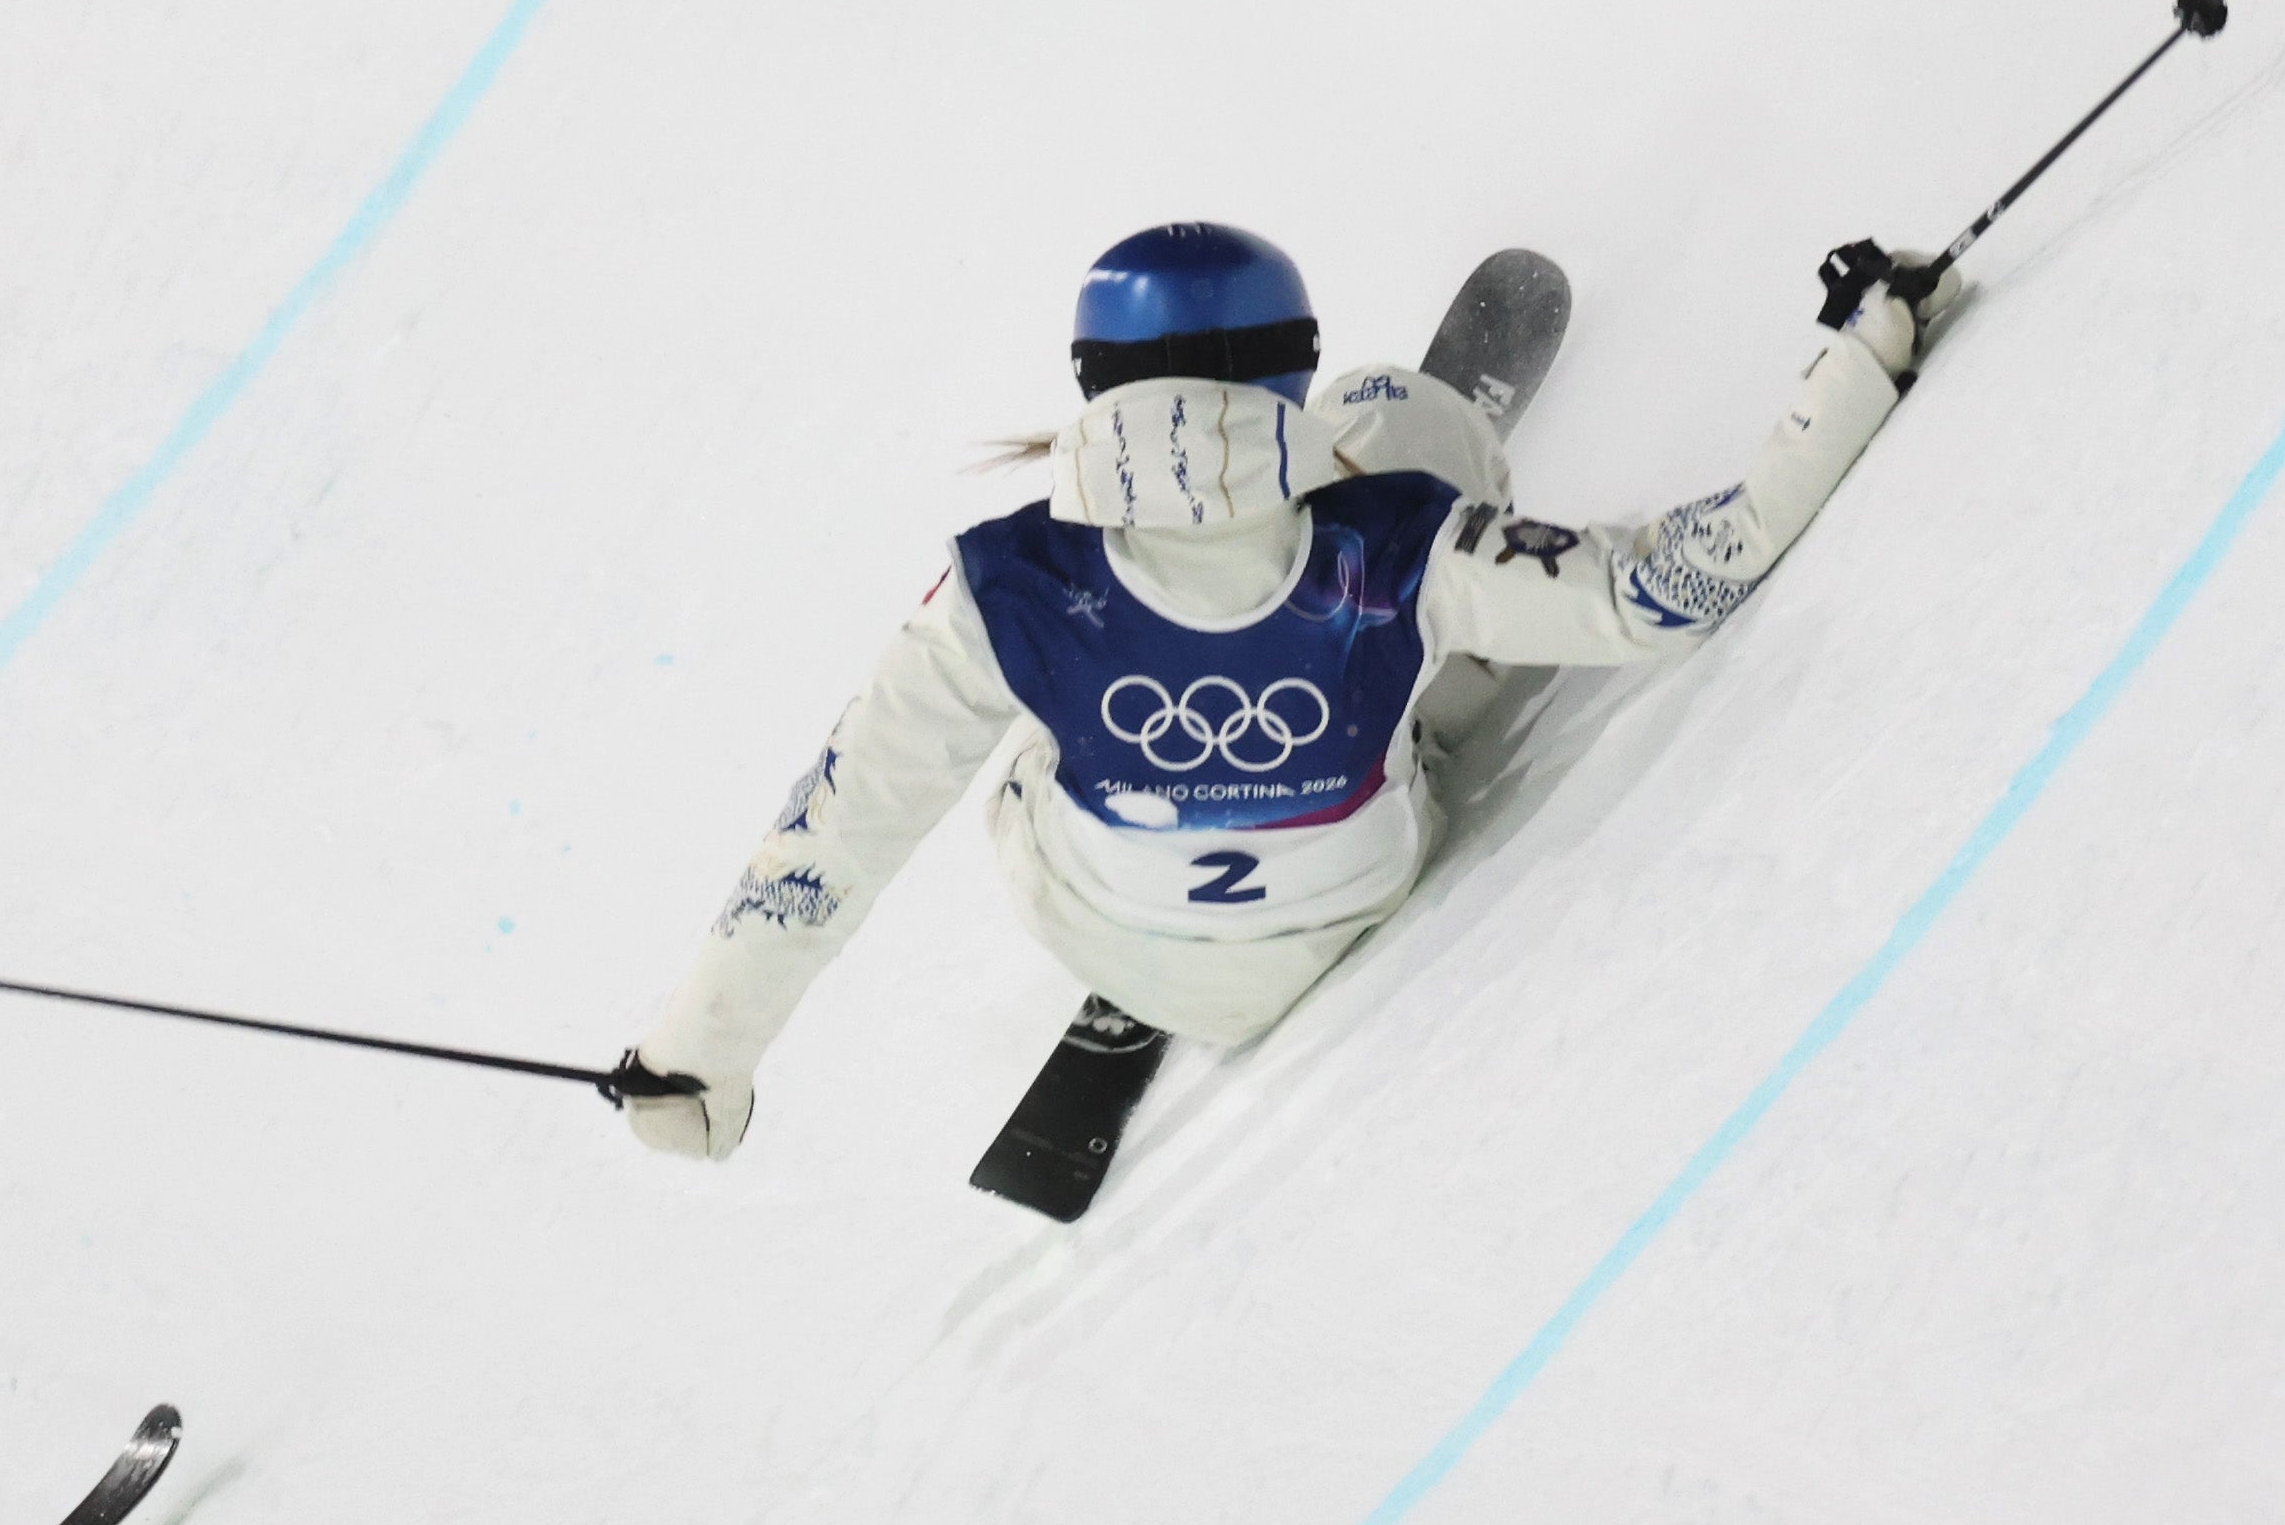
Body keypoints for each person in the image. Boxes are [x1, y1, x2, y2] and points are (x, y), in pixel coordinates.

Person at [616, 220, 1952, 1159]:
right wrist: (1865, 351)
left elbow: (826, 844)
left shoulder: (997, 587)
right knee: (1403, 457)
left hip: (1084, 914)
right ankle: (1423, 494)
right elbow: (1677, 584)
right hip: (1342, 906)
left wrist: (695, 1061)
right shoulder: (1399, 543)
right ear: (1285, 364)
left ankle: (1149, 885)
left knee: (1018, 747)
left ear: (1089, 378)